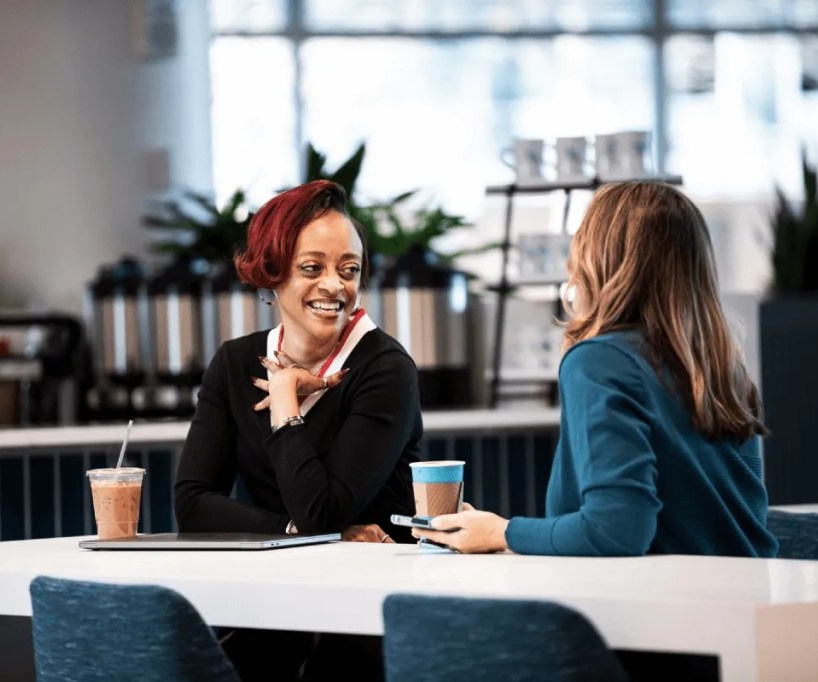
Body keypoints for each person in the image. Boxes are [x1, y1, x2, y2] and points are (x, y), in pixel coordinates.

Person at [419, 181, 778, 559]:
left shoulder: (599, 362)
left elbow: (616, 531)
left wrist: (503, 532)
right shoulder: (723, 370)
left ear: (595, 262)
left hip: (666, 611)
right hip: (748, 605)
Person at [175, 179, 421, 680]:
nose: (335, 285)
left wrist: (284, 401)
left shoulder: (385, 369)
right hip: (273, 608)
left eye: (348, 270)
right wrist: (291, 533)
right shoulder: (234, 362)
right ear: (273, 273)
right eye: (313, 268)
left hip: (372, 619)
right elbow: (193, 503)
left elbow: (323, 510)